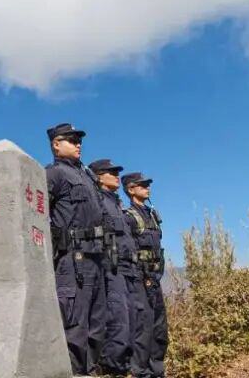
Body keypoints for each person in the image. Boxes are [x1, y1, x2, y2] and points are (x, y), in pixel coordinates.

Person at [46, 123, 107, 375]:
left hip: (95, 256)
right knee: (75, 324)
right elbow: (38, 212)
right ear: (56, 144)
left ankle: (90, 371)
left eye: (79, 140)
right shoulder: (54, 174)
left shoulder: (87, 177)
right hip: (73, 259)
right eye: (71, 140)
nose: (78, 144)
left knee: (97, 324)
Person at [88, 158, 141, 377]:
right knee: (117, 321)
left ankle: (121, 369)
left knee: (132, 323)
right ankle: (109, 368)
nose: (116, 176)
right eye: (111, 172)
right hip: (111, 268)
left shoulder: (117, 204)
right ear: (99, 177)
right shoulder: (98, 200)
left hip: (127, 270)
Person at [123, 172, 168, 378]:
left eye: (147, 184)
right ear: (131, 189)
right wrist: (140, 275)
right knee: (143, 327)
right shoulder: (128, 216)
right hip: (140, 279)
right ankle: (140, 372)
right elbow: (128, 250)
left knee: (159, 328)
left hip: (155, 277)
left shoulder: (152, 215)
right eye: (142, 185)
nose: (147, 188)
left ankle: (156, 371)